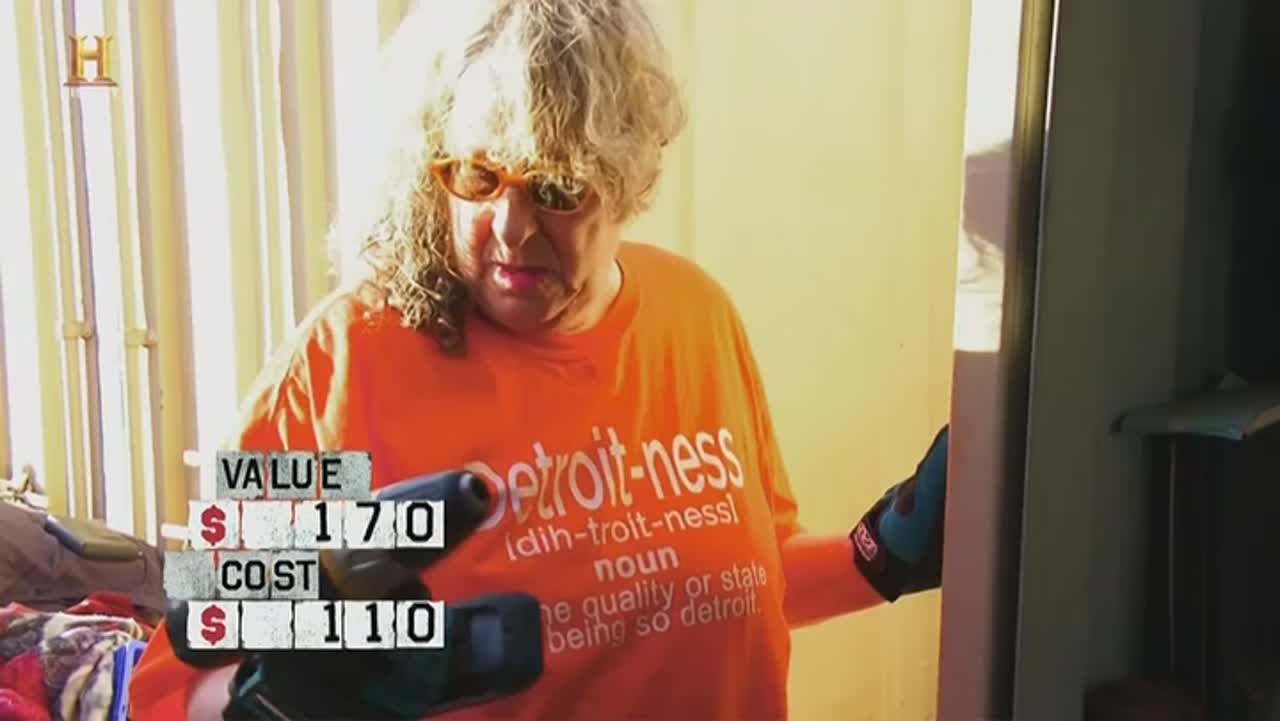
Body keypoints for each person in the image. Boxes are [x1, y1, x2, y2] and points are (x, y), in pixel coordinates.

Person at [128, 1, 950, 719]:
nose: (512, 227)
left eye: (556, 187)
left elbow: (734, 582)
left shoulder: (696, 317)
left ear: (627, 178)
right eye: (478, 175)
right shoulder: (340, 368)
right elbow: (181, 667)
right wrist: (270, 702)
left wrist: (880, 554)